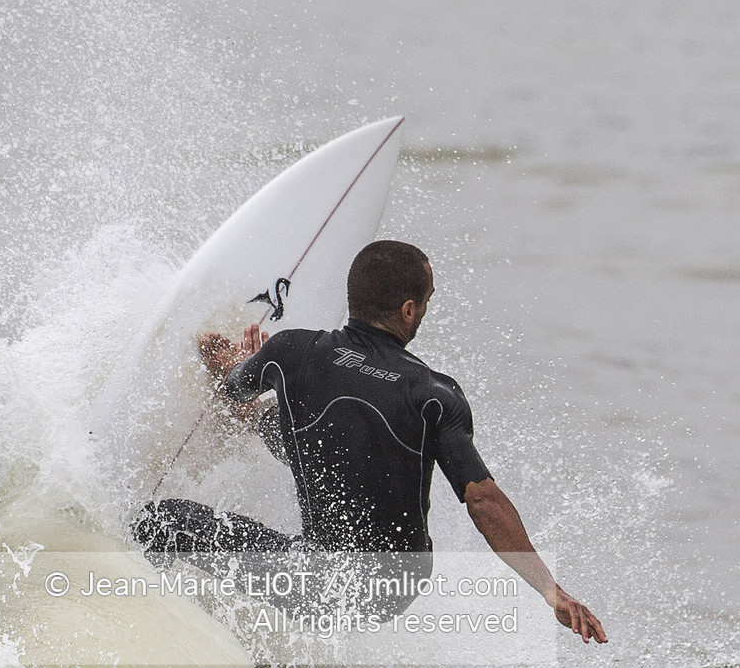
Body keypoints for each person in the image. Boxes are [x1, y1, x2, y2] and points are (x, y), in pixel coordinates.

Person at [132, 239, 607, 643]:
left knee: (159, 521)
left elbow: (226, 388)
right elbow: (482, 500)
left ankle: (157, 635)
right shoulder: (434, 395)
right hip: (391, 587)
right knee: (313, 428)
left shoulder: (290, 351)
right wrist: (551, 591)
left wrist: (228, 362)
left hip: (322, 576)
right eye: (426, 301)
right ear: (407, 310)